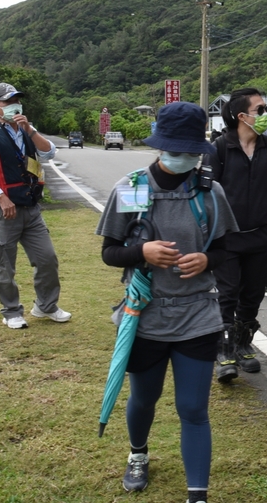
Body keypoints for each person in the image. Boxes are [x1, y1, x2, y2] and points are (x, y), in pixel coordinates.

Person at [95, 102, 238, 499]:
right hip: (146, 317)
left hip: (197, 315)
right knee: (144, 398)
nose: (185, 159)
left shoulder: (210, 192)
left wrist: (208, 258)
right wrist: (142, 252)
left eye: (192, 152)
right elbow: (109, 252)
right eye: (177, 150)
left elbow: (227, 248)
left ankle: (198, 495)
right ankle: (138, 453)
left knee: (193, 410)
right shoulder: (133, 186)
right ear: (161, 147)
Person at [0, 82, 71, 329]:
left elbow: (49, 154)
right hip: (4, 211)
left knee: (47, 258)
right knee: (5, 264)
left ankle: (46, 306)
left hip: (31, 208)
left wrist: (30, 130)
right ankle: (12, 311)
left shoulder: (27, 130)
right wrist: (0, 197)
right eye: (8, 102)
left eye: (17, 101)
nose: (14, 106)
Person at [204, 88, 267, 382]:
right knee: (227, 294)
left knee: (252, 295)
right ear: (242, 116)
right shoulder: (219, 149)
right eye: (260, 109)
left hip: (260, 236)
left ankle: (243, 342)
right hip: (226, 238)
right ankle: (223, 350)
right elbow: (208, 193)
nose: (265, 114)